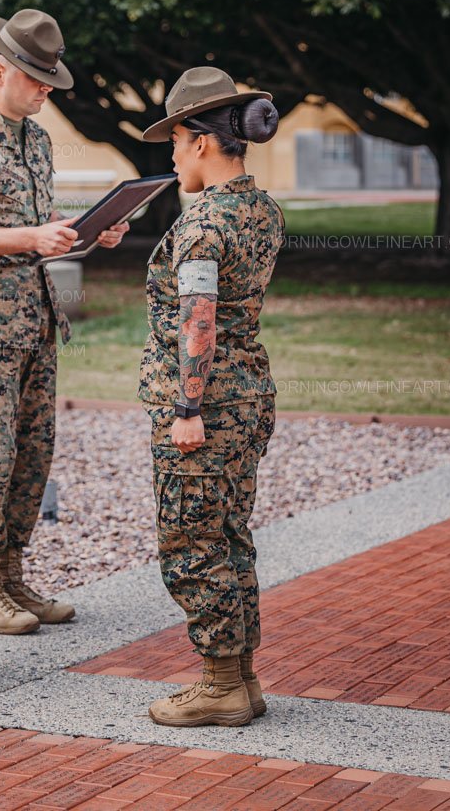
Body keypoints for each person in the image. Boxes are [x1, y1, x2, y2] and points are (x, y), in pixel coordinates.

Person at [0, 8, 129, 634]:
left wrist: (88, 233)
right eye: (36, 80)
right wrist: (32, 234)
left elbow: (36, 228)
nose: (46, 92)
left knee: (35, 451)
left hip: (36, 317)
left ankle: (10, 575)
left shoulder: (34, 138)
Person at [138, 66, 284, 727]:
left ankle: (220, 682)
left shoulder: (201, 225)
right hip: (250, 396)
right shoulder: (261, 209)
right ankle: (243, 677)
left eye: (173, 142)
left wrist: (187, 409)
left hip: (209, 405)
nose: (170, 156)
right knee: (231, 535)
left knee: (192, 544)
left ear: (200, 143)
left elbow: (200, 320)